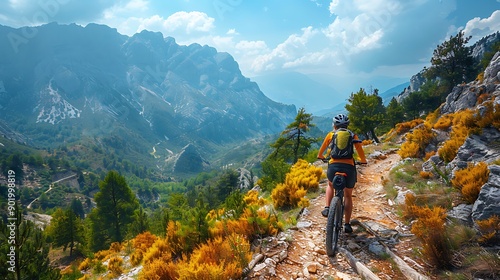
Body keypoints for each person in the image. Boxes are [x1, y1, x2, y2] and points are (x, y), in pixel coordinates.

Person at [317, 113, 367, 233]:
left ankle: (327, 207)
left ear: (334, 126)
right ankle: (347, 224)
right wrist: (363, 161)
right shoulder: (352, 135)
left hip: (333, 166)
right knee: (348, 195)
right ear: (347, 125)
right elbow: (360, 150)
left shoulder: (331, 135)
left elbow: (321, 151)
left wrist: (321, 156)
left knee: (330, 184)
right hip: (349, 167)